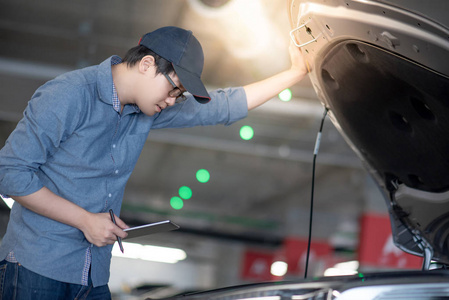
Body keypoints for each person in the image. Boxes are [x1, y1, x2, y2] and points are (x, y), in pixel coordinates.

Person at [0, 26, 308, 299]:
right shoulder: (68, 95)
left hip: (93, 275)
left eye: (180, 95)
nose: (173, 100)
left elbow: (224, 106)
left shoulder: (147, 111)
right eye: (173, 88)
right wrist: (85, 220)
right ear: (148, 64)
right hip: (35, 267)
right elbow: (9, 173)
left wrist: (296, 72)